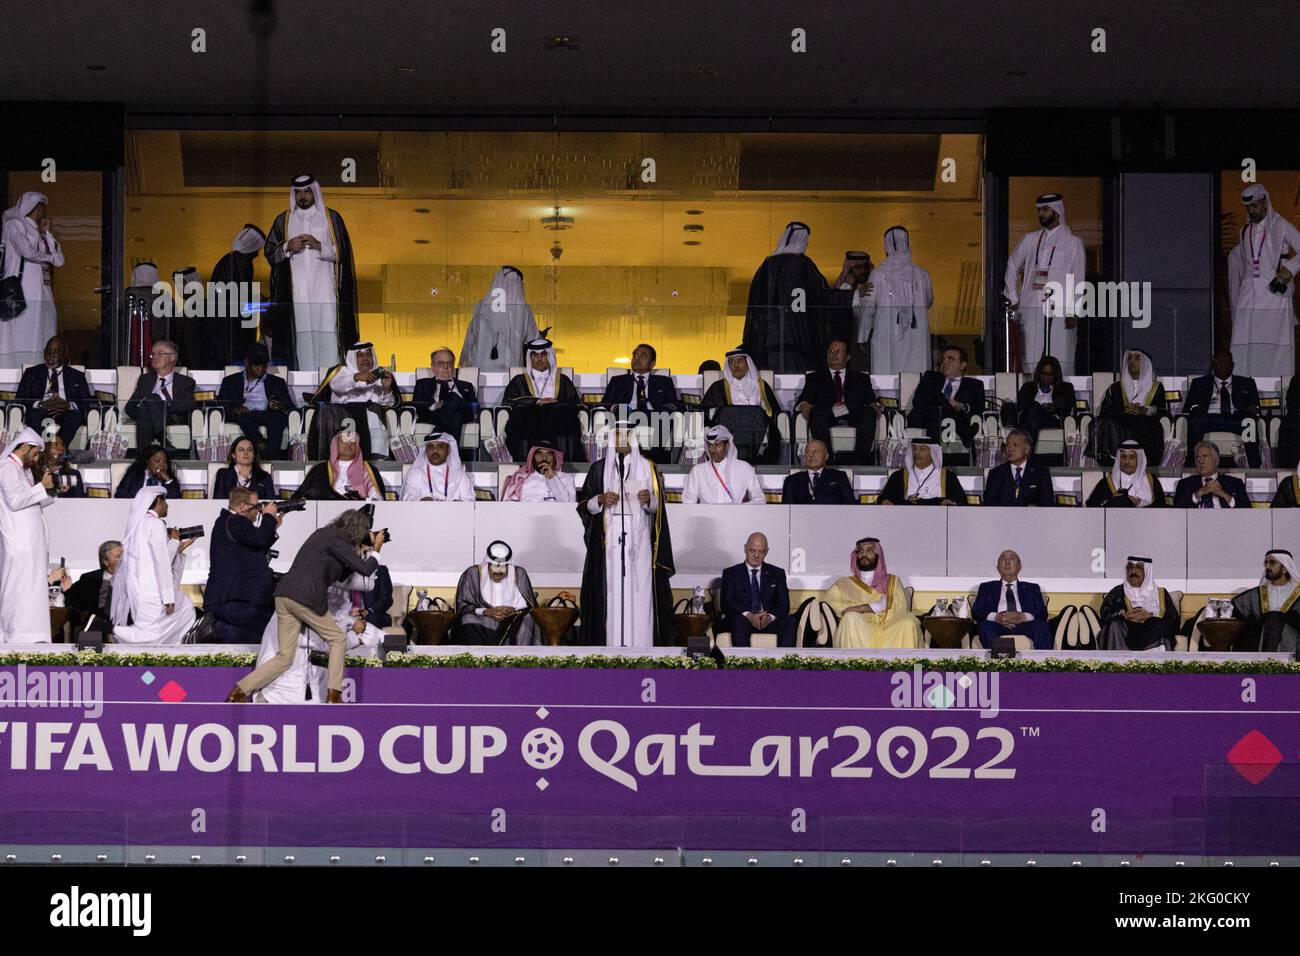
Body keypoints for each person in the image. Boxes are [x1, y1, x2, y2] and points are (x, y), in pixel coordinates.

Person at [226, 508, 385, 704]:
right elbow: (366, 570)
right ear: (358, 529)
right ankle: (334, 695)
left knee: (285, 657)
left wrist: (362, 551)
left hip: (284, 596)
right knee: (338, 640)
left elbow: (342, 575)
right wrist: (377, 548)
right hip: (305, 597)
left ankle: (240, 691)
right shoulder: (337, 539)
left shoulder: (323, 536)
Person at [577, 422, 675, 646]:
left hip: (640, 544)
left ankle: (641, 647)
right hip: (609, 544)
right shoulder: (599, 469)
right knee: (610, 595)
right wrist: (600, 500)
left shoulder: (648, 466)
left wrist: (648, 500)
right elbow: (583, 505)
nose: (622, 439)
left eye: (627, 434)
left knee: (641, 595)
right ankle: (611, 648)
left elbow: (659, 510)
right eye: (618, 434)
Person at [741, 222, 865, 373]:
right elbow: (821, 296)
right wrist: (853, 296)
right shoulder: (803, 265)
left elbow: (754, 309)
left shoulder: (765, 267)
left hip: (768, 346)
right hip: (799, 343)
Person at [264, 174, 358, 371]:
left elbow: (343, 252)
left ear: (314, 192)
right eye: (298, 193)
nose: (303, 197)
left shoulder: (330, 218)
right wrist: (288, 246)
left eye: (306, 192)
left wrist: (319, 246)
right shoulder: (284, 220)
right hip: (297, 295)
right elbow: (270, 252)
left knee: (328, 337)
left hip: (325, 292)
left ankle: (328, 386)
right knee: (301, 339)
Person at [252, 572, 386, 704]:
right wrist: (356, 637)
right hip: (277, 692)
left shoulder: (299, 605)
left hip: (292, 685)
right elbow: (322, 643)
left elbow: (341, 623)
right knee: (324, 691)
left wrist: (367, 631)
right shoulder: (296, 611)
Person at [1004, 193, 1087, 375]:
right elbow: (1011, 265)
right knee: (1029, 362)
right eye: (1039, 211)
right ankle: (1027, 398)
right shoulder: (1030, 239)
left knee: (1062, 361)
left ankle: (1063, 400)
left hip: (1061, 312)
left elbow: (1079, 278)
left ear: (1057, 211)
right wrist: (1013, 297)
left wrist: (1075, 310)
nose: (1040, 214)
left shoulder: (1073, 243)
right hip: (1030, 308)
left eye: (1044, 210)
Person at [109, 488, 198, 645]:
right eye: (165, 502)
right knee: (150, 633)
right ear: (158, 502)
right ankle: (107, 628)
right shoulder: (155, 524)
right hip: (151, 587)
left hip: (137, 588)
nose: (168, 506)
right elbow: (161, 562)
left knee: (184, 608)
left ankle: (176, 649)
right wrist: (168, 596)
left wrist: (176, 546)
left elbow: (153, 559)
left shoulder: (137, 525)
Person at [1228, 184, 1300, 377]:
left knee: (1275, 347)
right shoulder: (1244, 231)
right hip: (1248, 297)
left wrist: (1289, 270)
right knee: (1244, 347)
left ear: (1265, 203)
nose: (1252, 211)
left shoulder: (1281, 225)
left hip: (1274, 295)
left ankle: (1275, 397)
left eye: (1255, 206)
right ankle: (1245, 392)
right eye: (1248, 207)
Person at [204, 486, 282, 643]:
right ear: (242, 507)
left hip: (236, 599)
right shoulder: (234, 520)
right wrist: (268, 518)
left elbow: (255, 548)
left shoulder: (230, 523)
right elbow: (259, 539)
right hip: (237, 600)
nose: (258, 511)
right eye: (256, 507)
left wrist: (272, 524)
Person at [0, 428, 57, 643]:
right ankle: (16, 639)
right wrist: (42, 486)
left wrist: (51, 491)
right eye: (34, 453)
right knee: (20, 590)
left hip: (29, 542)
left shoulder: (23, 470)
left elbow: (29, 500)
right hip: (18, 543)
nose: (36, 458)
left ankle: (33, 639)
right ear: (24, 447)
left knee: (32, 591)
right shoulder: (6, 467)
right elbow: (15, 502)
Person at [0, 192, 64, 367]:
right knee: (22, 332)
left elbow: (59, 260)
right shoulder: (14, 225)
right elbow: (27, 252)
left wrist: (47, 234)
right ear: (36, 207)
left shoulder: (41, 232)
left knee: (42, 331)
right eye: (42, 206)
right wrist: (48, 257)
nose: (44, 211)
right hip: (22, 290)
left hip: (43, 292)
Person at [859, 226, 934, 373]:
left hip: (886, 334)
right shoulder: (922, 274)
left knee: (887, 374)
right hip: (916, 333)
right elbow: (929, 301)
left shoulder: (878, 274)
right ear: (907, 242)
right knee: (916, 376)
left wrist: (863, 335)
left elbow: (868, 307)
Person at [823, 537, 921, 648]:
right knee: (850, 617)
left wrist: (864, 608)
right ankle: (854, 664)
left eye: (869, 550)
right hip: (859, 631)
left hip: (887, 629)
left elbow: (898, 606)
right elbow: (828, 603)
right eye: (860, 551)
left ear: (878, 555)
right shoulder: (842, 584)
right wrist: (854, 610)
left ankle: (907, 665)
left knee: (908, 624)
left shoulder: (892, 581)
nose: (864, 554)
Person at [794, 339, 879, 464]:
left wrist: (876, 406)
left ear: (848, 356)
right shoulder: (814, 378)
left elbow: (871, 400)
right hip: (827, 413)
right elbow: (803, 399)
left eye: (838, 351)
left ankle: (860, 461)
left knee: (868, 413)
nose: (834, 354)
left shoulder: (861, 378)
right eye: (831, 351)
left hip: (852, 411)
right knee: (817, 413)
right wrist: (803, 405)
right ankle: (827, 461)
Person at [502, 337, 584, 462]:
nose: (539, 359)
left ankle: (566, 461)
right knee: (520, 414)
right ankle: (523, 460)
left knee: (567, 415)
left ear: (549, 356)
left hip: (557, 423)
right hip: (529, 424)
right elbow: (509, 402)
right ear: (530, 358)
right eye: (535, 355)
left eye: (543, 355)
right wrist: (537, 402)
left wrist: (555, 404)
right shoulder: (519, 380)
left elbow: (575, 404)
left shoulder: (562, 380)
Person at [313, 342, 396, 459]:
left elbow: (387, 406)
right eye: (360, 355)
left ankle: (374, 458)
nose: (365, 358)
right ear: (352, 357)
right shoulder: (341, 371)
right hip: (342, 418)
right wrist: (355, 377)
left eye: (368, 354)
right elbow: (336, 386)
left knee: (375, 413)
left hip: (370, 418)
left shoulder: (380, 375)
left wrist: (387, 389)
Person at [700, 348, 783, 464]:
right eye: (732, 362)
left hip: (757, 432)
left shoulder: (760, 386)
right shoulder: (718, 387)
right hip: (729, 431)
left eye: (739, 361)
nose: (736, 365)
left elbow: (774, 411)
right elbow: (704, 411)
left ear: (748, 364)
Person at [1182, 350, 1261, 467]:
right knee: (1196, 419)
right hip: (1208, 418)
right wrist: (1196, 409)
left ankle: (1254, 465)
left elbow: (1255, 406)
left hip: (1236, 418)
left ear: (1232, 365)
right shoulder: (1199, 383)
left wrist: (1252, 409)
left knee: (1249, 421)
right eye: (1218, 361)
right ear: (1212, 365)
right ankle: (1191, 464)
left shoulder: (1247, 383)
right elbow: (1189, 407)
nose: (1222, 364)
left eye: (1226, 361)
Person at [453, 540, 540, 645]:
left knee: (529, 619)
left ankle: (519, 657)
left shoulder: (519, 573)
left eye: (503, 567)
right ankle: (478, 658)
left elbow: (529, 606)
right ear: (488, 564)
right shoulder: (473, 573)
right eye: (495, 566)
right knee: (467, 619)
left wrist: (514, 610)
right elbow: (463, 606)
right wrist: (486, 611)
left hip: (514, 619)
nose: (498, 571)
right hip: (483, 619)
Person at [718, 532, 797, 647]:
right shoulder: (731, 573)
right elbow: (726, 604)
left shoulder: (777, 573)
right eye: (752, 550)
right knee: (738, 621)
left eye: (761, 551)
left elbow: (784, 605)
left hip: (767, 621)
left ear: (767, 552)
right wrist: (749, 615)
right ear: (745, 548)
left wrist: (769, 618)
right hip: (743, 620)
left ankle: (784, 664)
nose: (756, 555)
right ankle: (743, 664)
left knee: (790, 621)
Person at [217, 343, 293, 459]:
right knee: (243, 417)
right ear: (247, 363)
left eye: (264, 364)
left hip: (269, 413)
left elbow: (289, 406)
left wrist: (280, 406)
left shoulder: (278, 382)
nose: (261, 368)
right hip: (247, 414)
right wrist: (235, 410)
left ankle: (271, 454)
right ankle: (260, 444)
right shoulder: (230, 381)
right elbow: (222, 405)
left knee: (278, 419)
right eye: (257, 364)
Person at [206, 224, 266, 369]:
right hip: (230, 333)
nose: (257, 254)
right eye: (256, 250)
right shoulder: (235, 264)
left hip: (232, 331)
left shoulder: (232, 261)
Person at [14, 336, 92, 446]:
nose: (50, 355)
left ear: (65, 354)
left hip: (65, 411)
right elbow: (20, 399)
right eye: (48, 351)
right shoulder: (31, 373)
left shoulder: (77, 376)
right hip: (41, 410)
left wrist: (68, 405)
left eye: (56, 352)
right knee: (33, 415)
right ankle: (49, 446)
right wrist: (40, 404)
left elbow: (86, 402)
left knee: (76, 417)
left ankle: (55, 447)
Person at [1094, 350, 1167, 466]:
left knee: (1150, 424)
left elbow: (1163, 412)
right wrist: (1124, 410)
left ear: (1146, 364)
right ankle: (1112, 459)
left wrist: (1145, 410)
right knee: (1107, 422)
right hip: (1121, 425)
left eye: (1137, 358)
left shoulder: (1157, 387)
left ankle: (1146, 462)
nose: (1132, 362)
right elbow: (1105, 411)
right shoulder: (1115, 388)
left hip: (1146, 425)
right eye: (1129, 358)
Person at [460, 266, 539, 373]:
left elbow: (470, 340)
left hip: (482, 370)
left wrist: (466, 366)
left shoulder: (482, 307)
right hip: (509, 369)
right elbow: (534, 340)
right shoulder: (523, 310)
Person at [123, 339, 197, 454]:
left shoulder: (186, 382)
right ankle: (163, 440)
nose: (154, 357)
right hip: (144, 415)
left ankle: (144, 455)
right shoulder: (145, 379)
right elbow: (130, 406)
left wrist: (164, 404)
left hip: (170, 415)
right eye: (153, 354)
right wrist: (147, 406)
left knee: (152, 400)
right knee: (145, 408)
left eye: (160, 353)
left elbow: (188, 404)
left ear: (172, 357)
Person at [906, 346, 984, 452]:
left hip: (952, 418)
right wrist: (945, 402)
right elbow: (918, 401)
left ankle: (934, 456)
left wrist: (962, 406)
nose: (945, 362)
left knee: (943, 411)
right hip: (925, 417)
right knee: (939, 407)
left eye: (951, 359)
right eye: (944, 359)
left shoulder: (974, 385)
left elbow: (979, 409)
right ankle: (964, 433)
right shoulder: (931, 377)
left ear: (962, 365)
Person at [972, 550, 1051, 649]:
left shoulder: (1032, 588)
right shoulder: (986, 587)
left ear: (1019, 567)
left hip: (1025, 624)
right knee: (985, 627)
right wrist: (996, 617)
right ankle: (1001, 661)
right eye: (1003, 559)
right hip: (997, 624)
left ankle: (1044, 662)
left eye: (1012, 559)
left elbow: (1042, 613)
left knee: (1042, 626)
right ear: (998, 567)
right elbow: (976, 611)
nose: (1007, 562)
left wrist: (1023, 616)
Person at [1099, 556, 1180, 651]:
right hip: (1126, 631)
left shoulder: (1160, 593)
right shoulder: (1118, 591)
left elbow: (1173, 621)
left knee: (1158, 624)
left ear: (1147, 571)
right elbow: (1105, 615)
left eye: (1138, 568)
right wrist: (1123, 615)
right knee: (1114, 625)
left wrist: (1150, 616)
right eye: (1130, 567)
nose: (1133, 571)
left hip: (1153, 631)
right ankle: (1118, 662)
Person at [1231, 549, 1300, 652]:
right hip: (1261, 644)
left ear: (1285, 569)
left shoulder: (1298, 592)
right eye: (1266, 563)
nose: (1267, 566)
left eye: (1272, 563)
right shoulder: (1254, 595)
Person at [681, 425, 765, 505]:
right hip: (707, 518)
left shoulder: (745, 468)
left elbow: (759, 500)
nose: (713, 450)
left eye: (717, 445)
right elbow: (688, 502)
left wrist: (739, 510)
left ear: (727, 446)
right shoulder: (698, 471)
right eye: (710, 446)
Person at [292, 429, 386, 501]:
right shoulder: (321, 469)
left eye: (352, 442)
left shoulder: (368, 469)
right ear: (335, 445)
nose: (349, 444)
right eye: (344, 441)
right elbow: (310, 494)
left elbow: (377, 499)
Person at [412, 348, 478, 438]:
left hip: (463, 415)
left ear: (453, 365)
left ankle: (437, 432)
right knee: (457, 416)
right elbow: (417, 405)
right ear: (433, 366)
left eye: (449, 363)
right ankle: (453, 451)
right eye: (441, 363)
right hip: (432, 415)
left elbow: (474, 407)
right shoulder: (422, 384)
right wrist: (435, 406)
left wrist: (455, 401)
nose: (446, 366)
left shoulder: (467, 386)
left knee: (454, 398)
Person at [879, 439, 966, 506]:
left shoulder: (947, 477)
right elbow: (883, 500)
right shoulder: (898, 477)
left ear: (932, 452)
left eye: (922, 449)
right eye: (914, 448)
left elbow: (961, 503)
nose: (917, 452)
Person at [1012, 355, 1076, 445]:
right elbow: (1021, 410)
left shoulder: (1065, 388)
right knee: (1034, 409)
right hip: (1032, 418)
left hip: (1052, 419)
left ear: (1056, 375)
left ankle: (1026, 447)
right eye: (1043, 374)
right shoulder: (1028, 388)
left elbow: (1070, 409)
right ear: (1039, 373)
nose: (1046, 377)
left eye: (1050, 374)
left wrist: (1055, 407)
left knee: (1035, 412)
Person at [983, 429, 1055, 506]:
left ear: (1027, 449)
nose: (1010, 449)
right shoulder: (995, 474)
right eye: (1007, 445)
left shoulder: (1041, 474)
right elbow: (989, 504)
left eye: (1015, 445)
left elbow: (1048, 504)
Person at [602, 343, 680, 412]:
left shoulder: (664, 382)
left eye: (643, 356)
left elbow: (674, 404)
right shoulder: (617, 381)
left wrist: (663, 412)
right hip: (625, 417)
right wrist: (616, 408)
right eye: (635, 355)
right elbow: (605, 404)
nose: (637, 358)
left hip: (654, 418)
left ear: (652, 364)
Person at [1086, 440, 1165, 508]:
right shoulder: (1107, 482)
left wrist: (1139, 504)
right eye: (1123, 457)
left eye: (1131, 457)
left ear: (1139, 459)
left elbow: (1162, 508)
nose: (1127, 461)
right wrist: (1115, 501)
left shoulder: (1151, 481)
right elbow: (1092, 506)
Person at [60, 540, 121, 628]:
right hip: (96, 625)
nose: (124, 561)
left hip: (125, 626)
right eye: (118, 557)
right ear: (105, 561)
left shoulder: (133, 580)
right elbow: (71, 601)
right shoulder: (89, 579)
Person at [1173, 441, 1251, 509]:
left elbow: (1248, 512)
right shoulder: (1184, 484)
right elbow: (1176, 512)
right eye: (1198, 458)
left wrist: (1224, 494)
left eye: (1205, 457)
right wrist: (1198, 494)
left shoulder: (1235, 483)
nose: (1200, 461)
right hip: (1195, 523)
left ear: (1216, 461)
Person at [399, 433, 475, 502]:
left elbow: (470, 500)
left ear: (448, 450)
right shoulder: (415, 474)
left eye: (440, 447)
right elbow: (407, 498)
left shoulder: (460, 476)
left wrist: (459, 504)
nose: (435, 451)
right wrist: (420, 501)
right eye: (431, 447)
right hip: (423, 515)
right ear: (426, 450)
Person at [782, 438, 855, 504]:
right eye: (808, 452)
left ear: (826, 456)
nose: (811, 455)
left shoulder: (839, 477)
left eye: (816, 451)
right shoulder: (792, 481)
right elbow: (787, 510)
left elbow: (850, 506)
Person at [502, 442, 575, 503]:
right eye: (539, 454)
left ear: (554, 457)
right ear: (533, 457)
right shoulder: (521, 479)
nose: (544, 458)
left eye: (549, 454)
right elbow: (509, 506)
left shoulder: (566, 478)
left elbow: (569, 504)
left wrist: (553, 478)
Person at [213, 436, 277, 501]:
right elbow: (218, 502)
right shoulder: (223, 474)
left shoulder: (265, 477)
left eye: (249, 450)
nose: (246, 453)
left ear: (254, 455)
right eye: (241, 450)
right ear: (233, 455)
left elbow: (271, 504)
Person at [114, 444, 182, 500]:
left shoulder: (169, 480)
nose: (162, 464)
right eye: (157, 461)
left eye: (165, 461)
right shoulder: (134, 475)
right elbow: (119, 496)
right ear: (147, 462)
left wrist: (168, 480)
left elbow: (176, 501)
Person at [39, 434, 86, 499]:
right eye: (54, 445)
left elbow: (79, 501)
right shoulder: (37, 474)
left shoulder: (73, 474)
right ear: (44, 449)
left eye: (61, 445)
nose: (60, 448)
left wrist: (60, 493)